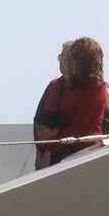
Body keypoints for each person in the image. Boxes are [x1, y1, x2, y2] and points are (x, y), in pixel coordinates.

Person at [42, 36, 109, 166]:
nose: (69, 63)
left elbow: (77, 127)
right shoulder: (73, 86)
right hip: (66, 150)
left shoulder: (96, 89)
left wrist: (50, 153)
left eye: (73, 59)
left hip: (84, 153)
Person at [32, 41, 72, 171]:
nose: (61, 61)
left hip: (71, 154)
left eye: (65, 57)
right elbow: (38, 120)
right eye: (60, 57)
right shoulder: (53, 86)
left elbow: (107, 121)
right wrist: (39, 152)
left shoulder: (89, 87)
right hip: (47, 156)